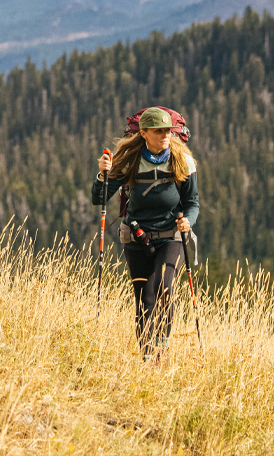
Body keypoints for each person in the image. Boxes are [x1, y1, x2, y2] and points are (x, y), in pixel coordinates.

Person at [93, 107, 200, 361]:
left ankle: (160, 351)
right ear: (143, 133)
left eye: (168, 130)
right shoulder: (129, 160)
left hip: (172, 236)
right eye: (159, 131)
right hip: (136, 237)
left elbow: (192, 203)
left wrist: (188, 221)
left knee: (164, 287)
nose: (165, 135)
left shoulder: (182, 160)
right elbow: (100, 197)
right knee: (144, 299)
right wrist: (103, 175)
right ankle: (147, 356)